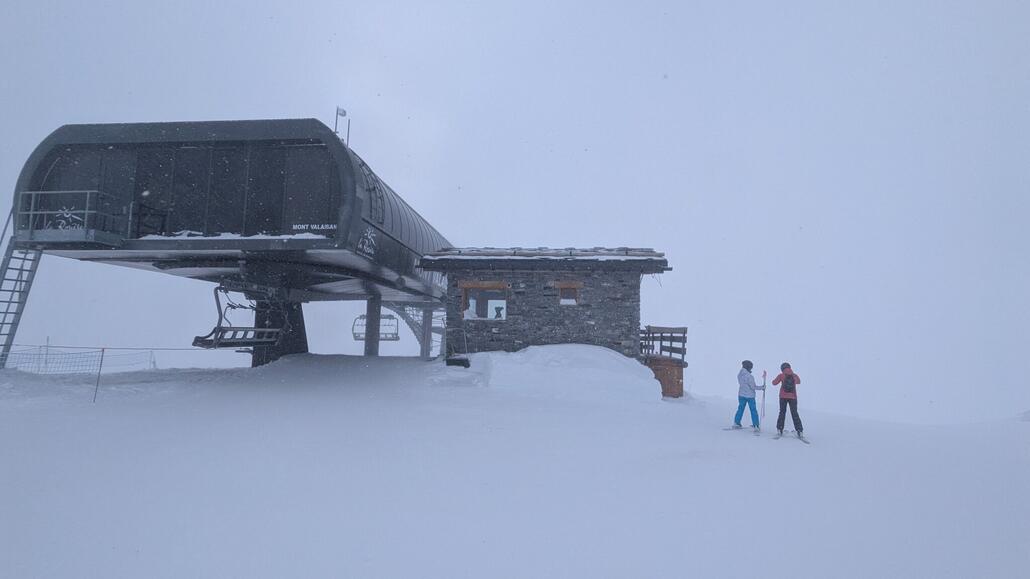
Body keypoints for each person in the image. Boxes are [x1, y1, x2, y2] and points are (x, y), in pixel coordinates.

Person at [772, 362, 804, 437]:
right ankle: (799, 431)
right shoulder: (794, 375)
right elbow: (799, 382)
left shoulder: (781, 375)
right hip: (793, 397)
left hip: (782, 397)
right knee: (794, 413)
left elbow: (774, 383)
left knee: (782, 412)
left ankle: (780, 429)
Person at [733, 360, 764, 430]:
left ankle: (736, 422)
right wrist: (762, 387)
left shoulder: (739, 375)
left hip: (741, 395)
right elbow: (753, 387)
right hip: (750, 396)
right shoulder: (750, 376)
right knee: (753, 410)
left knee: (740, 409)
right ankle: (756, 425)